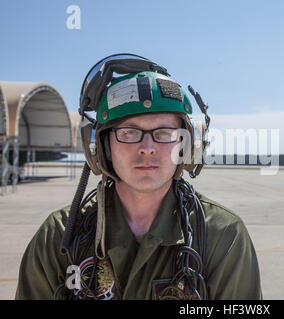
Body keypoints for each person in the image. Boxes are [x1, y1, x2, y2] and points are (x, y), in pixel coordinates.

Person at [15, 54, 262, 300]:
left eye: (164, 133)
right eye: (129, 132)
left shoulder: (222, 235)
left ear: (188, 146)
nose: (147, 147)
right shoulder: (59, 235)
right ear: (100, 146)